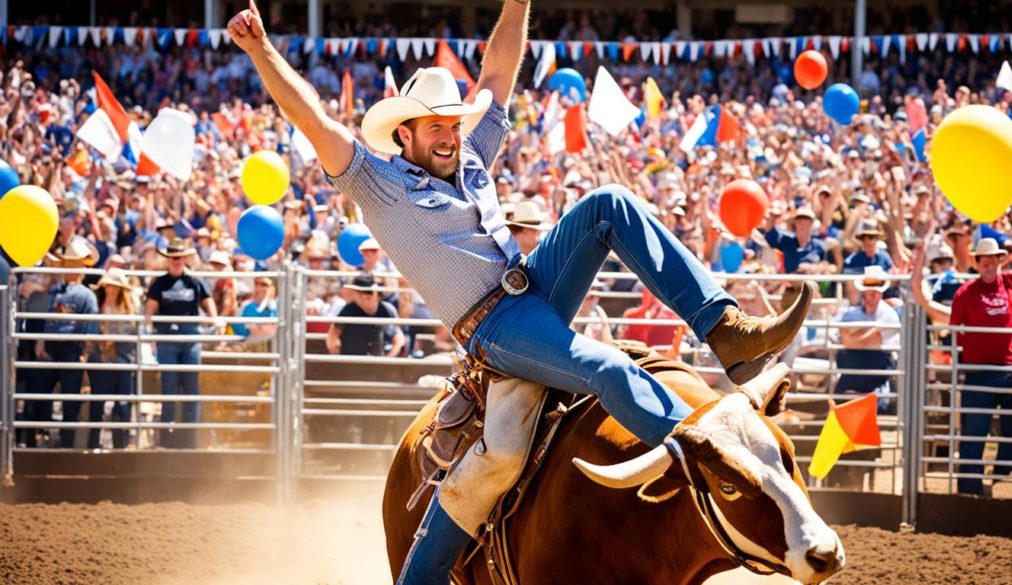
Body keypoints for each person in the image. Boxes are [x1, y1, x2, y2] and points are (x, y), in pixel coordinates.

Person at [229, 2, 811, 582]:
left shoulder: (472, 155)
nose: (452, 136)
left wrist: (517, 2)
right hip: (494, 326)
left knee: (608, 202)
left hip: (531, 289)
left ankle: (725, 330)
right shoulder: (377, 185)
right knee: (609, 371)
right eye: (437, 126)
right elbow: (312, 120)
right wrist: (260, 50)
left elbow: (498, 74)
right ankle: (704, 444)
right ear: (402, 132)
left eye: (455, 124)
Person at [949, 237, 1012, 496]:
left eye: (994, 260)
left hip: (1009, 371)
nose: (990, 264)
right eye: (985, 261)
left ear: (1000, 260)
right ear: (978, 263)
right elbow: (954, 331)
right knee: (975, 432)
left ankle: (998, 476)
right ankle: (970, 491)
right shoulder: (965, 292)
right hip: (978, 371)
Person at [144, 238, 220, 449]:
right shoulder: (160, 283)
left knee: (191, 390)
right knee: (168, 390)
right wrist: (151, 336)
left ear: (185, 258)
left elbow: (209, 304)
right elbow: (149, 312)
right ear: (169, 260)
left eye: (179, 257)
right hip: (167, 340)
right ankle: (166, 442)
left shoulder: (195, 281)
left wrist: (214, 319)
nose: (176, 261)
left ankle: (190, 442)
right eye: (173, 258)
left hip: (189, 341)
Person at [29, 238, 99, 448]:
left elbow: (91, 325)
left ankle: (66, 442)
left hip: (72, 350)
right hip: (52, 348)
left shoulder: (86, 295)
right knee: (41, 394)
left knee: (70, 401)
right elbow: (46, 317)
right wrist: (41, 341)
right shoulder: (56, 291)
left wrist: (84, 352)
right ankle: (42, 435)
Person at [834, 266, 901, 414]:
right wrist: (872, 332)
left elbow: (851, 341)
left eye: (875, 291)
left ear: (881, 292)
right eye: (869, 290)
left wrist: (856, 335)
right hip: (855, 367)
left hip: (877, 369)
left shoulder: (889, 314)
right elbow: (847, 341)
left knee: (880, 406)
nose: (871, 295)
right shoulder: (852, 314)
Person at [85, 268, 138, 449]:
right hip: (101, 360)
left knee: (122, 405)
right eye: (109, 286)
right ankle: (94, 444)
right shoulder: (97, 305)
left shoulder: (129, 309)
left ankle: (120, 445)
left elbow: (133, 333)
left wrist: (112, 338)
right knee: (97, 404)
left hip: (122, 360)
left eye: (114, 286)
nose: (111, 290)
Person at [325, 275, 405, 357]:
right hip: (352, 361)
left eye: (371, 294)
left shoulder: (387, 310)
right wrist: (343, 359)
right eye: (364, 294)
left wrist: (388, 359)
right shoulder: (349, 310)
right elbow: (333, 336)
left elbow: (399, 339)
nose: (369, 297)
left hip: (379, 361)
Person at [233, 275, 278, 342]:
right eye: (257, 283)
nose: (259, 287)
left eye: (264, 285)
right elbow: (255, 332)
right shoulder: (249, 306)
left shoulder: (276, 305)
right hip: (246, 343)